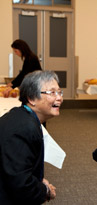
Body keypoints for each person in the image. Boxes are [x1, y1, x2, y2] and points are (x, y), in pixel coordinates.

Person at [0, 70, 63, 204]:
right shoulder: (23, 129)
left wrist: (39, 182)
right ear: (31, 99)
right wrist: (45, 190)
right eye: (52, 93)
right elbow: (21, 184)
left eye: (59, 92)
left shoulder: (21, 116)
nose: (59, 98)